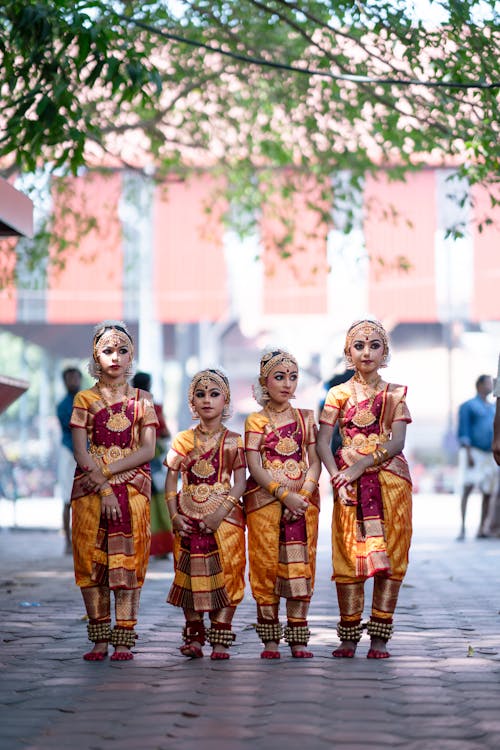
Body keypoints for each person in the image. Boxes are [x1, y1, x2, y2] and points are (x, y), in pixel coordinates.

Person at [317, 319, 412, 659]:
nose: (367, 352)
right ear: (348, 353)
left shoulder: (395, 393)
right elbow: (323, 443)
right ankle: (348, 635)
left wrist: (359, 465)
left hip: (390, 482)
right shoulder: (337, 395)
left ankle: (380, 637)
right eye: (359, 345)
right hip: (348, 486)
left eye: (375, 345)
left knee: (393, 554)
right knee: (347, 553)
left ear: (385, 352)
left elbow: (398, 442)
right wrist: (336, 477)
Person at [69, 321, 158, 662]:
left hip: (132, 490)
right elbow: (81, 450)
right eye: (107, 351)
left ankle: (124, 638)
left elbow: (148, 450)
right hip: (91, 490)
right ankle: (99, 638)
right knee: (90, 563)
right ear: (96, 355)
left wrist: (107, 472)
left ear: (131, 354)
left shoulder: (142, 400)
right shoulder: (85, 399)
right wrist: (103, 486)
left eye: (122, 350)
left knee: (129, 564)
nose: (115, 358)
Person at [164, 368, 246, 660]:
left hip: (225, 521)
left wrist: (220, 513)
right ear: (192, 401)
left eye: (214, 394)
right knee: (188, 575)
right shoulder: (183, 441)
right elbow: (170, 483)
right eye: (200, 394)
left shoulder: (235, 440)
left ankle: (221, 637)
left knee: (228, 574)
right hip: (188, 517)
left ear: (226, 400)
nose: (207, 400)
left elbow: (241, 483)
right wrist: (174, 517)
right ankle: (195, 635)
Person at [244, 348, 321, 659]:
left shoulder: (305, 418)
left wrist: (302, 493)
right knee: (266, 567)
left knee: (300, 567)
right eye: (279, 377)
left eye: (292, 377)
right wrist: (283, 494)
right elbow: (254, 465)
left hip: (303, 502)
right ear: (265, 381)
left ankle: (299, 636)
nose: (287, 384)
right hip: (265, 501)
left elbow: (314, 461)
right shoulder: (256, 420)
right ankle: (270, 639)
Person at [132, 371, 173, 559]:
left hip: (130, 460)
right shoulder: (154, 407)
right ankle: (160, 547)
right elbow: (164, 432)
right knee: (157, 501)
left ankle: (137, 545)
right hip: (153, 461)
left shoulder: (126, 406)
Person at [456, 374, 496, 540]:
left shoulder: (493, 407)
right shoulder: (468, 406)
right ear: (479, 385)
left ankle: (481, 528)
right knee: (468, 488)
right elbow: (464, 430)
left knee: (488, 491)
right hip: (474, 452)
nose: (490, 386)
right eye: (487, 383)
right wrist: (469, 453)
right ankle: (463, 528)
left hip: (490, 453)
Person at [56, 366, 82, 554]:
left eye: (75, 377)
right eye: (69, 378)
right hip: (69, 452)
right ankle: (68, 542)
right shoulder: (62, 405)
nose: (72, 381)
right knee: (68, 499)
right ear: (64, 381)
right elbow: (75, 427)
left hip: (85, 454)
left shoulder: (88, 401)